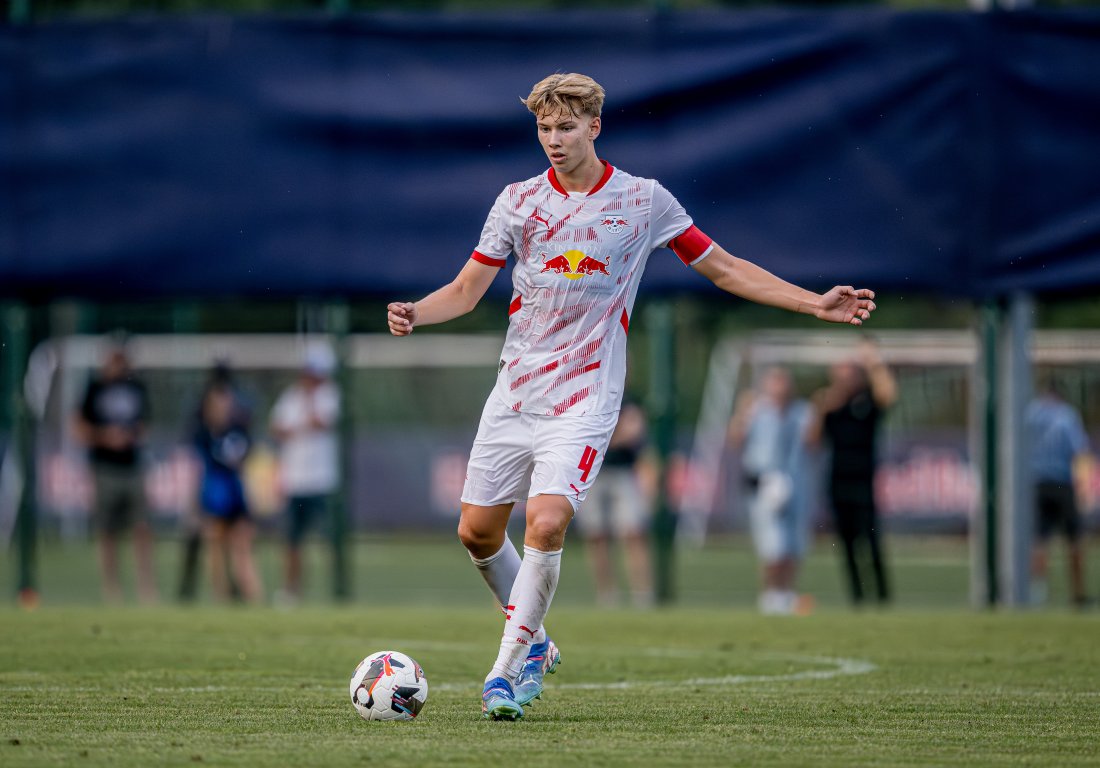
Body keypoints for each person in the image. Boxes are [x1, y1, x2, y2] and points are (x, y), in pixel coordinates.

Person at [386, 73, 876, 720]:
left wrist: (813, 302)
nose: (553, 141)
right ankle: (538, 643)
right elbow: (469, 288)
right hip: (516, 392)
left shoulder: (644, 201)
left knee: (548, 519)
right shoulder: (517, 201)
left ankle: (506, 670)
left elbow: (723, 267)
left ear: (595, 126)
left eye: (565, 127)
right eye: (543, 128)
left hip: (587, 398)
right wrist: (417, 313)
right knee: (476, 532)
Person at [808, 340, 897, 606]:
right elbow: (811, 442)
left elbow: (889, 395)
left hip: (864, 480)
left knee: (870, 538)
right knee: (845, 542)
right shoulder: (829, 406)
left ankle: (881, 595)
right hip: (837, 480)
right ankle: (856, 597)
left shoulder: (868, 401)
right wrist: (819, 409)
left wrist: (874, 362)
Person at [74, 343, 157, 604]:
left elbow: (146, 425)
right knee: (107, 530)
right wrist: (105, 437)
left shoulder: (136, 388)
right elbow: (78, 428)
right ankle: (112, 589)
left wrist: (130, 436)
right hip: (105, 467)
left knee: (141, 528)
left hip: (132, 466)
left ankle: (146, 588)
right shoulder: (94, 389)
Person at [729, 366, 814, 615]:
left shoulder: (802, 412)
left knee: (794, 544)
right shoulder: (756, 411)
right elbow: (736, 440)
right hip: (765, 484)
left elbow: (814, 443)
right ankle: (770, 594)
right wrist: (741, 413)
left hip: (795, 482)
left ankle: (787, 592)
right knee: (772, 545)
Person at [270, 343, 341, 605]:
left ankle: (336, 589)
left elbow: (321, 422)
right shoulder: (291, 396)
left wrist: (299, 422)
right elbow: (277, 428)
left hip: (322, 480)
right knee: (291, 542)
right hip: (295, 481)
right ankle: (292, 591)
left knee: (329, 540)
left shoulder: (330, 394)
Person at [573, 398, 655, 607]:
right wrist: (616, 435)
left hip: (624, 472)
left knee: (633, 533)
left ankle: (642, 595)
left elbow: (636, 437)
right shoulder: (586, 397)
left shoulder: (628, 400)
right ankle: (607, 595)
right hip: (592, 473)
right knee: (596, 536)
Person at [193, 363, 263, 604]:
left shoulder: (238, 431)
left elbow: (244, 458)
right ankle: (221, 596)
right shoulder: (204, 434)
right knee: (215, 547)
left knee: (242, 546)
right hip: (214, 494)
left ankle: (253, 595)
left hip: (235, 493)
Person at [1026, 378, 1091, 607]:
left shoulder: (1030, 414)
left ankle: (1036, 593)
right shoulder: (1067, 415)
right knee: (1074, 540)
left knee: (1039, 540)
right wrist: (1084, 486)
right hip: (1063, 482)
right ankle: (1078, 594)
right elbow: (1080, 450)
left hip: (1036, 481)